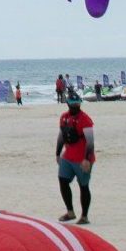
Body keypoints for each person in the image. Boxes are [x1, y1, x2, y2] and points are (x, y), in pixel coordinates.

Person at [55, 92, 94, 224]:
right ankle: (70, 212)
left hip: (82, 159)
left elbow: (90, 141)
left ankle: (84, 216)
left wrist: (87, 159)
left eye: (77, 104)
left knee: (83, 186)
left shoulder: (85, 119)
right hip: (68, 156)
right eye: (73, 104)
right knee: (63, 181)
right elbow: (61, 136)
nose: (75, 106)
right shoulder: (64, 117)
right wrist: (57, 153)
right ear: (68, 104)